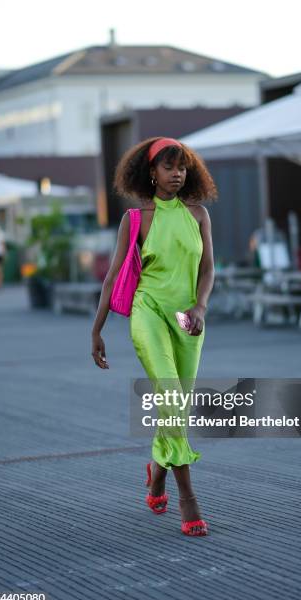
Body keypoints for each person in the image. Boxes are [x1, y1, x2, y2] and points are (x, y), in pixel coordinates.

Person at [91, 136, 216, 536]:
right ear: (152, 173)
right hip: (147, 313)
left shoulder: (198, 215)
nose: (177, 173)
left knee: (175, 407)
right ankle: (189, 499)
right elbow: (112, 277)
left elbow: (209, 269)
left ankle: (157, 472)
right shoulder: (135, 219)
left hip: (188, 321)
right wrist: (97, 329)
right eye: (168, 166)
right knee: (172, 398)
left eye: (182, 166)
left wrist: (200, 307)